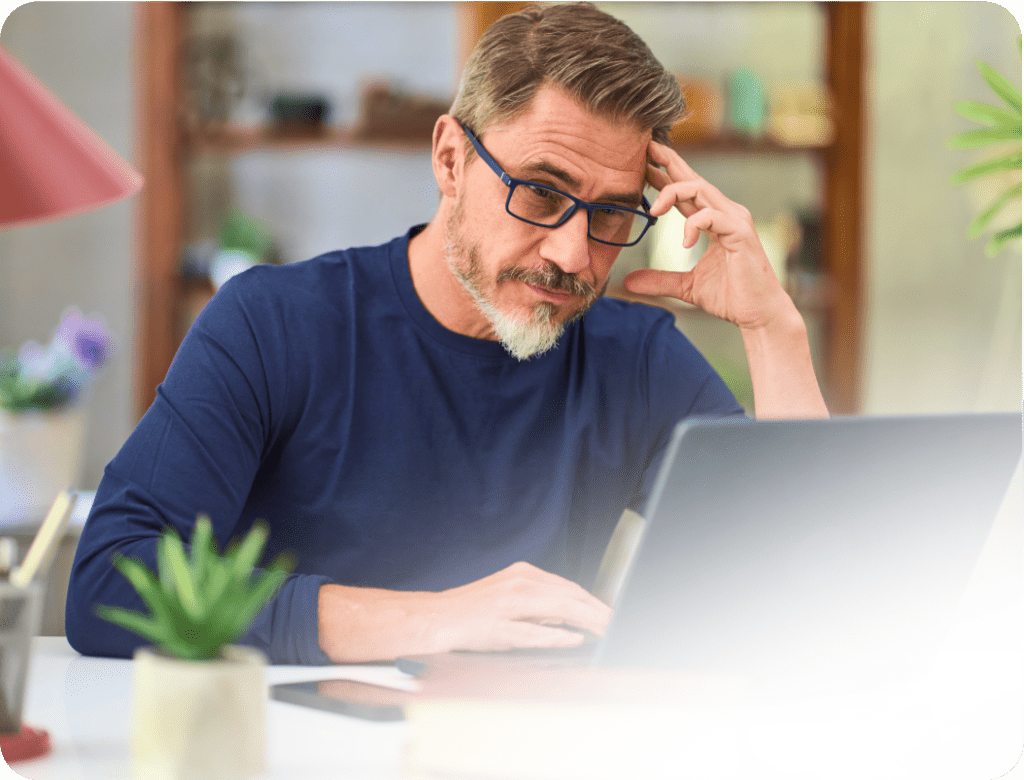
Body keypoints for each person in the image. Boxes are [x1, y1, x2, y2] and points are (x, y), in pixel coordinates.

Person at [65, 2, 828, 665]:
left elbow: (817, 589)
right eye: (541, 191)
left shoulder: (637, 360)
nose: (572, 254)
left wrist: (773, 327)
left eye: (610, 215)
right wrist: (433, 620)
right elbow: (109, 580)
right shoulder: (273, 324)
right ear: (451, 160)